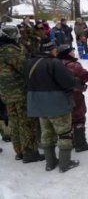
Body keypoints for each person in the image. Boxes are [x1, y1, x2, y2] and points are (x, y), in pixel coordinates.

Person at [25, 37, 79, 172]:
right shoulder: (54, 63)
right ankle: (65, 163)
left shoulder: (29, 62)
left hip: (38, 104)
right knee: (64, 133)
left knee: (46, 133)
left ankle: (50, 163)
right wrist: (76, 81)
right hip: (57, 104)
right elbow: (67, 82)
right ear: (52, 49)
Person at [0, 26, 45, 163]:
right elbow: (23, 67)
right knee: (26, 122)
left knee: (14, 121)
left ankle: (19, 150)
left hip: (6, 92)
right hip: (18, 91)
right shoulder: (9, 50)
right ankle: (29, 152)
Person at [56, 45, 88, 153]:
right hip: (75, 95)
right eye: (72, 51)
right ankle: (80, 143)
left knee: (66, 118)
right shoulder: (73, 65)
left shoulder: (55, 63)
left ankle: (70, 141)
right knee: (78, 117)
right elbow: (86, 76)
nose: (74, 53)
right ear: (67, 53)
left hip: (60, 96)